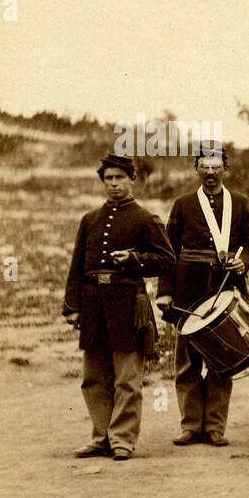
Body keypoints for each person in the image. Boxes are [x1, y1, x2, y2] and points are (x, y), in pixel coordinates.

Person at [62, 153, 175, 460]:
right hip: (94, 305)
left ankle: (122, 439)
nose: (113, 184)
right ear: (103, 181)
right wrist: (72, 306)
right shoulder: (90, 220)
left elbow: (167, 261)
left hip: (127, 305)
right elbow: (76, 268)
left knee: (127, 378)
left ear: (131, 180)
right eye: (108, 179)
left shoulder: (146, 219)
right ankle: (101, 437)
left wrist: (136, 260)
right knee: (94, 377)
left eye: (119, 178)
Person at [157, 146, 249, 447]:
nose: (211, 172)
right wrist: (165, 291)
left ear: (225, 168)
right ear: (197, 169)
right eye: (205, 166)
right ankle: (191, 426)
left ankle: (215, 427)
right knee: (187, 362)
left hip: (226, 290)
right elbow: (167, 253)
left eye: (216, 166)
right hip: (189, 291)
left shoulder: (239, 203)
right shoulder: (183, 204)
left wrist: (246, 262)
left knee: (221, 359)